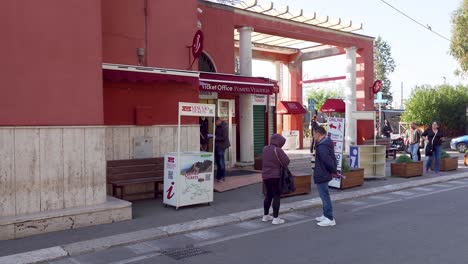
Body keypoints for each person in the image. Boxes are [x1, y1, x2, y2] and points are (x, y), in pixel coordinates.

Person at [261, 133, 290, 225]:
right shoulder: (278, 150)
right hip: (275, 176)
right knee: (276, 195)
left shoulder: (265, 149)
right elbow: (286, 161)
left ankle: (265, 216)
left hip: (265, 175)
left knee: (268, 195)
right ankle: (276, 218)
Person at [313, 126, 337, 227]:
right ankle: (325, 215)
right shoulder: (326, 142)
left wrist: (333, 170)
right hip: (324, 173)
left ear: (318, 134)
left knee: (324, 196)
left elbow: (327, 160)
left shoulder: (322, 146)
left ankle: (329, 218)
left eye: (314, 134)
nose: (313, 136)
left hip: (322, 173)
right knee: (324, 195)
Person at [214, 117, 230, 182]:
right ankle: (218, 176)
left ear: (218, 121)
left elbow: (224, 137)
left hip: (221, 146)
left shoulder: (224, 127)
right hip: (217, 145)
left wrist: (215, 137)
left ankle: (222, 177)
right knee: (218, 162)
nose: (215, 124)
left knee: (221, 162)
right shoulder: (218, 127)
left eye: (215, 123)